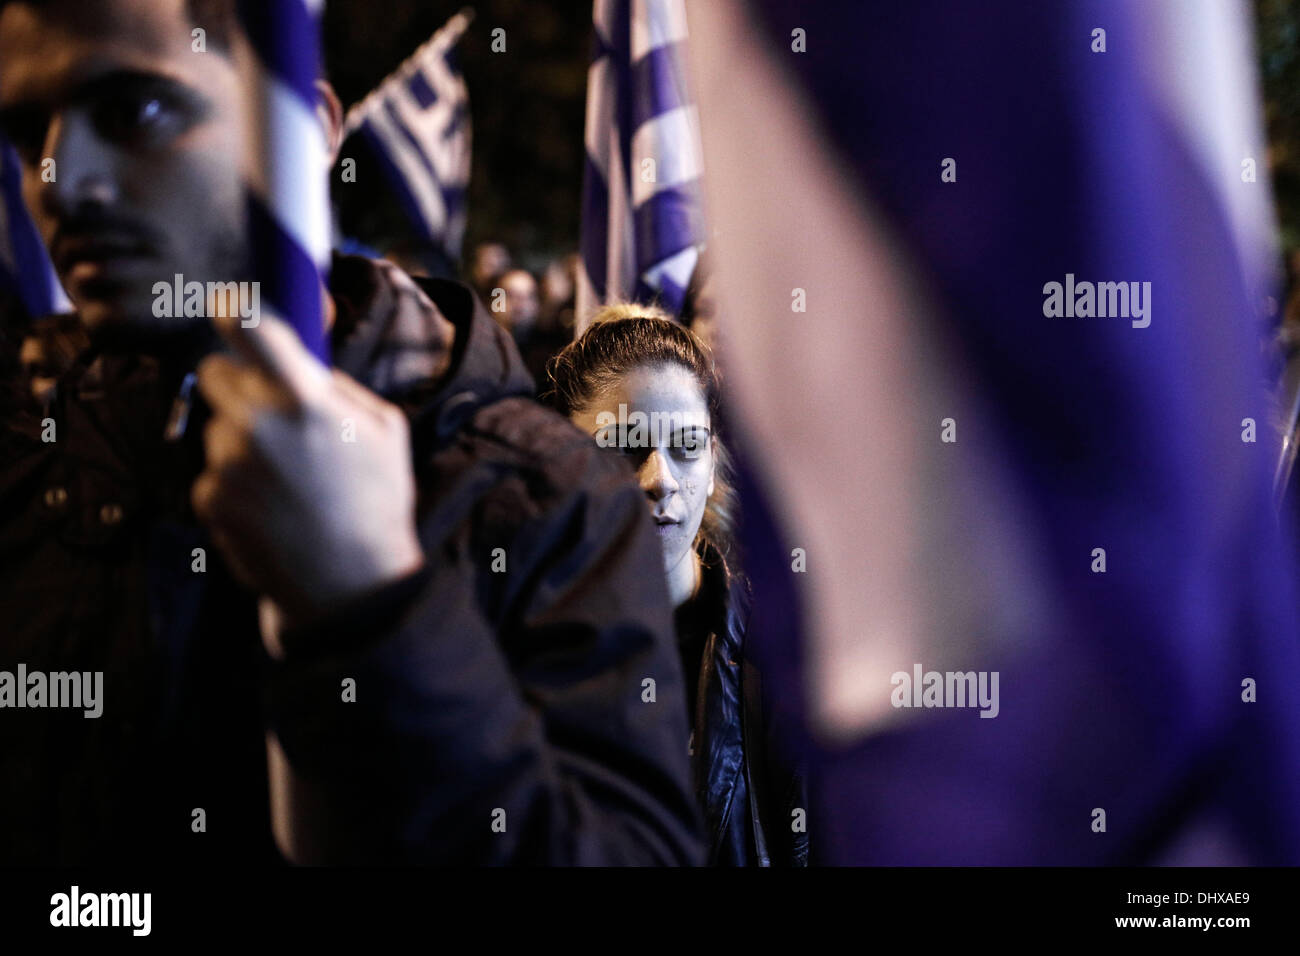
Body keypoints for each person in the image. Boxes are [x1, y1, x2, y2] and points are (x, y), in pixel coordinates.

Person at [0, 0, 701, 865]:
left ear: (307, 130)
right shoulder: (33, 449)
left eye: (136, 110)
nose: (60, 179)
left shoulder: (547, 496)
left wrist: (380, 610)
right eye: (29, 128)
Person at [545, 305, 808, 866]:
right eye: (623, 446)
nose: (660, 479)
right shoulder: (505, 646)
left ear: (712, 461)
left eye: (686, 447)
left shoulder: (781, 653)